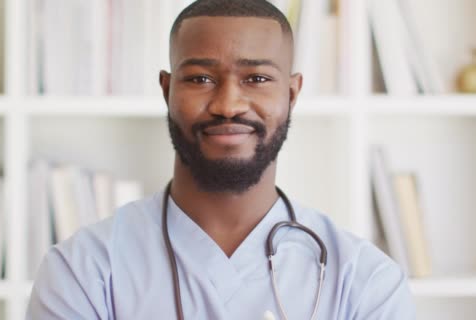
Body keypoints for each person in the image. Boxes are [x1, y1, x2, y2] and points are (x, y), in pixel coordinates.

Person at [26, 0, 415, 319]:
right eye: (200, 79)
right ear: (167, 89)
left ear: (292, 94)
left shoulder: (364, 281)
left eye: (257, 79)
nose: (228, 104)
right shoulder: (83, 271)